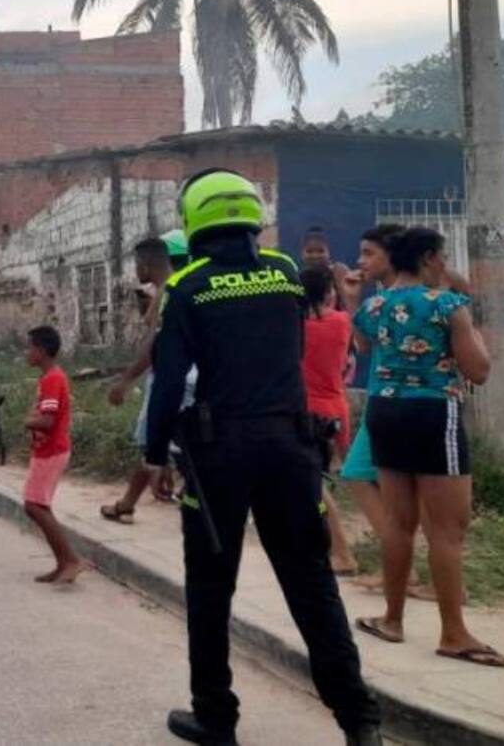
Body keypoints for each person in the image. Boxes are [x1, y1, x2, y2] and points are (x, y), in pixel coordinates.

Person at [147, 168, 380, 746]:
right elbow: (289, 350)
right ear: (251, 215)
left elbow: (171, 379)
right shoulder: (284, 275)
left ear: (195, 220)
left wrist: (155, 453)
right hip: (290, 447)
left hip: (216, 453)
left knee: (210, 588)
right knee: (311, 583)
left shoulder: (188, 287)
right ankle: (360, 722)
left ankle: (216, 719)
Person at [351, 228, 504, 668]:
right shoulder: (446, 304)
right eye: (441, 257)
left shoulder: (374, 304)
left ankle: (392, 619)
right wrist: (470, 321)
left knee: (398, 524)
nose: (444, 264)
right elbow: (478, 369)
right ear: (427, 259)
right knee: (447, 531)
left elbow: (363, 345)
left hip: (383, 412)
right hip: (433, 413)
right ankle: (453, 633)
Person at [102, 237, 195, 523]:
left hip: (172, 379)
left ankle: (128, 504)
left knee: (154, 440)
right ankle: (140, 497)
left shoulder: (170, 292)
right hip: (186, 377)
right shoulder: (180, 286)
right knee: (176, 443)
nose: (136, 271)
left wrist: (126, 381)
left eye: (136, 265)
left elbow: (155, 346)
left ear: (144, 265)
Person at [300, 265, 359, 576]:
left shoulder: (296, 326)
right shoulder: (341, 323)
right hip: (337, 407)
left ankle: (342, 551)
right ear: (328, 292)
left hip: (308, 411)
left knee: (315, 482)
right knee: (332, 480)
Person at [23, 325, 85, 584]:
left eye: (29, 347)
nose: (26, 353)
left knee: (33, 505)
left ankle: (70, 559)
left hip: (51, 451)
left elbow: (48, 420)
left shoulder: (52, 379)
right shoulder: (50, 377)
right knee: (39, 505)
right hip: (46, 450)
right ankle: (63, 562)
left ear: (41, 350)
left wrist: (29, 422)